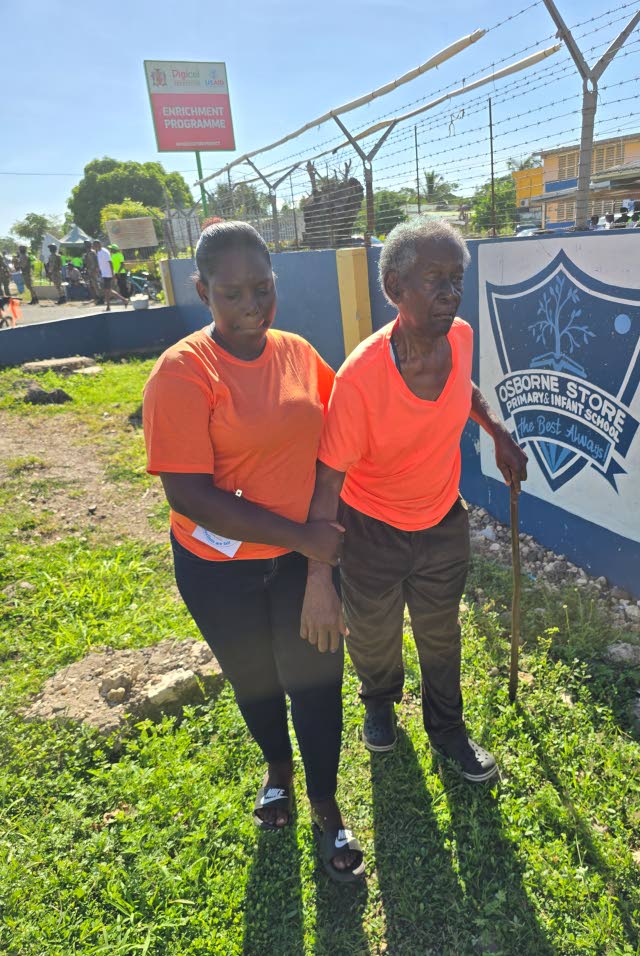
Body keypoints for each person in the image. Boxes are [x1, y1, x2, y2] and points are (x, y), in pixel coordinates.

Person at [142, 220, 365, 883]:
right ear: (200, 289)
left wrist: (318, 557)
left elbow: (340, 438)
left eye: (262, 289)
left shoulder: (297, 352)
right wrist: (302, 536)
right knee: (256, 681)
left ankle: (325, 804)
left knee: (318, 682)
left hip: (302, 563)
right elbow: (188, 494)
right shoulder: (183, 373)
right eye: (231, 293)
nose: (250, 308)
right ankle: (277, 769)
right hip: (217, 571)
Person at [301, 218, 528, 785]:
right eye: (435, 280)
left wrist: (496, 431)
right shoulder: (361, 378)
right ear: (395, 289)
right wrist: (317, 578)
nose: (450, 294)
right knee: (374, 631)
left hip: (441, 521)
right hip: (371, 529)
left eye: (456, 279)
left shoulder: (462, 336)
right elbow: (327, 482)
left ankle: (447, 729)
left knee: (440, 630)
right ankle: (379, 700)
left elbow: (466, 390)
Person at [92, 240, 128, 310]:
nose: (93, 247)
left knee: (107, 290)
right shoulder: (98, 252)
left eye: (94, 245)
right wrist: (98, 269)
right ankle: (123, 300)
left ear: (98, 245)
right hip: (104, 274)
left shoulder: (104, 252)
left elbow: (110, 263)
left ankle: (110, 306)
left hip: (108, 274)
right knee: (108, 290)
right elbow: (102, 263)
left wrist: (112, 274)